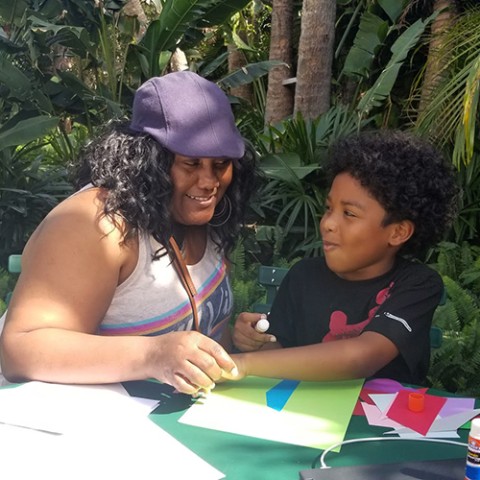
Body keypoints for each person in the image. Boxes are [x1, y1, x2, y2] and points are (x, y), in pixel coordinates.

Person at [0, 70, 260, 394]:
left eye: (220, 164)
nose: (209, 182)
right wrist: (153, 355)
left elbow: (195, 328)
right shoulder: (95, 222)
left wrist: (234, 341)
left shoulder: (208, 218)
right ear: (148, 159)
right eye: (191, 163)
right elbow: (21, 348)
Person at [232, 130, 459, 385]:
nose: (328, 223)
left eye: (349, 214)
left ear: (398, 232)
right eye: (329, 208)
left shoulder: (417, 284)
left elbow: (361, 357)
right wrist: (251, 342)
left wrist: (242, 363)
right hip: (302, 414)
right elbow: (279, 354)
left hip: (382, 421)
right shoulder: (303, 276)